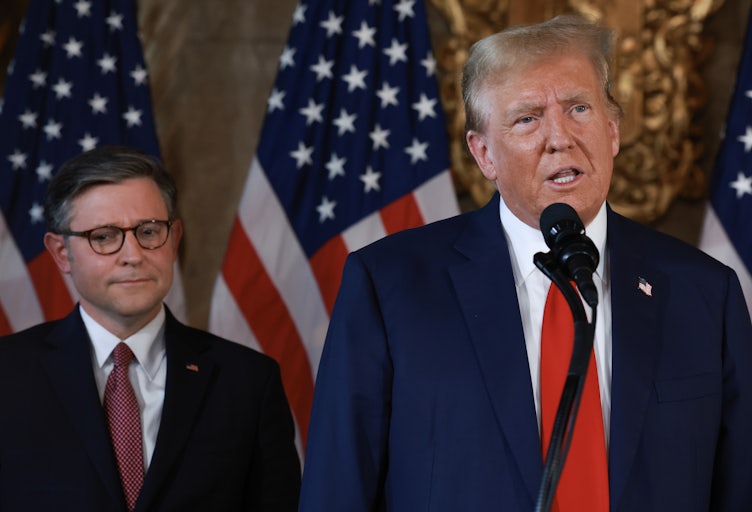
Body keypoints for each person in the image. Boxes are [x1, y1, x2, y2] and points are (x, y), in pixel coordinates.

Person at [298, 14, 752, 511]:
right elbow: (336, 492)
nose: (560, 138)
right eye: (527, 118)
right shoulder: (389, 287)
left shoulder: (706, 292)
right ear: (484, 153)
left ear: (613, 130)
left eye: (579, 108)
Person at [0, 146, 301, 511]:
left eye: (149, 231)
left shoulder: (248, 381)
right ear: (60, 252)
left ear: (175, 238)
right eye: (103, 236)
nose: (133, 254)